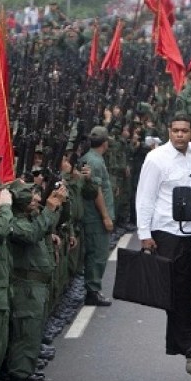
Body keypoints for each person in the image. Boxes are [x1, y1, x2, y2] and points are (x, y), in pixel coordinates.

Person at [135, 113, 191, 373]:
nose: (180, 135)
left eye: (185, 131)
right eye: (175, 130)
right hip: (167, 231)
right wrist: (145, 234)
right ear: (169, 131)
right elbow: (145, 196)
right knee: (175, 292)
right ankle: (185, 344)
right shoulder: (156, 159)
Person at [7, 180, 67, 381]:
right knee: (25, 337)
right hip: (25, 287)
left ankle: (23, 376)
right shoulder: (16, 222)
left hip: (36, 286)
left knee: (31, 336)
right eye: (30, 197)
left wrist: (55, 206)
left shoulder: (30, 218)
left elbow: (43, 226)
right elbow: (31, 234)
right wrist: (50, 209)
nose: (37, 200)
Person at [80, 126, 114, 307]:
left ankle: (93, 289)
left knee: (97, 254)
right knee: (98, 255)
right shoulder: (95, 161)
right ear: (105, 143)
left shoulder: (92, 159)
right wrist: (106, 217)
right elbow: (97, 192)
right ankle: (93, 291)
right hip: (95, 217)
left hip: (94, 216)